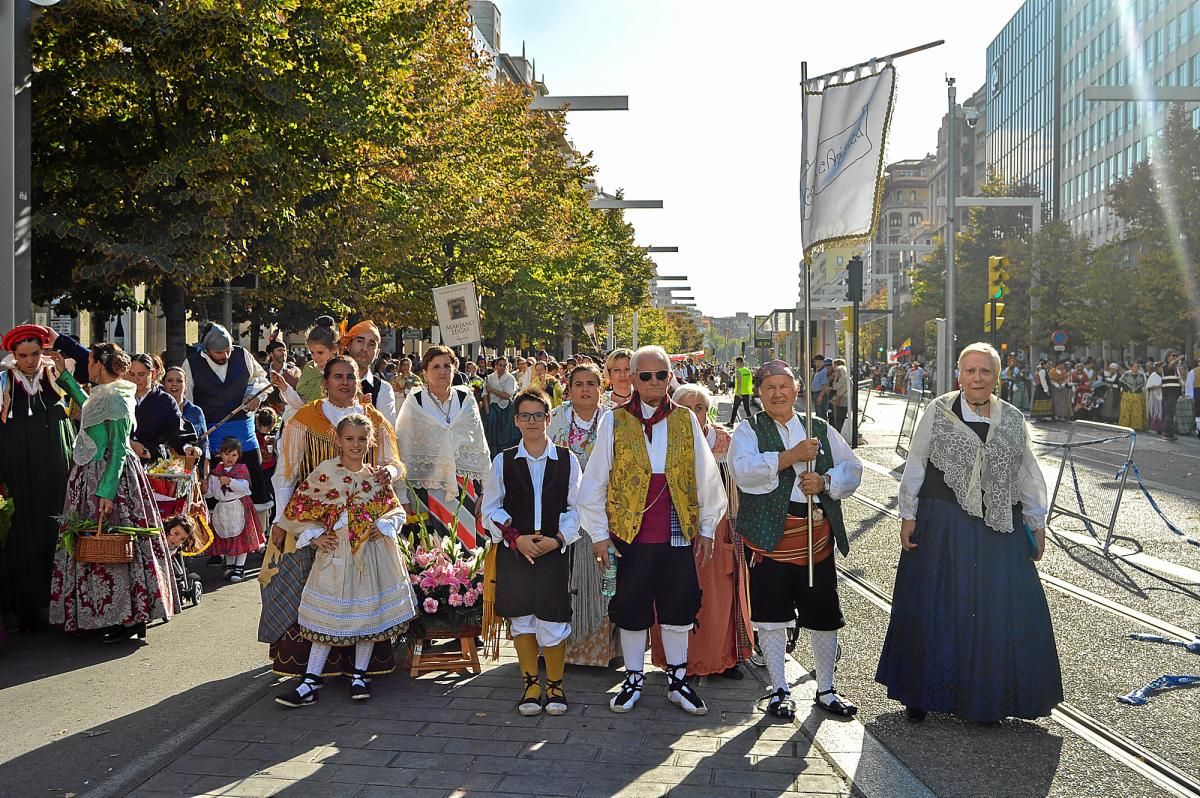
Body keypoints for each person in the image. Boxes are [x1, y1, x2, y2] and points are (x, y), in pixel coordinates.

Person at [876, 342, 1062, 724]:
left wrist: (1036, 523)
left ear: (996, 377)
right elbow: (917, 461)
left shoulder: (1012, 418)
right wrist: (907, 514)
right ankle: (921, 691)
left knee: (998, 607)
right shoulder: (938, 411)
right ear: (958, 375)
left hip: (998, 526)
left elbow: (1027, 473)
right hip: (943, 523)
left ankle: (990, 696)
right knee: (936, 603)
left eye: (986, 371)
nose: (978, 378)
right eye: (971, 371)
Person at [577, 345, 727, 716]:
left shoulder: (685, 420)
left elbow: (706, 477)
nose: (654, 382)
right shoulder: (613, 421)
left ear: (669, 377)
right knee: (630, 606)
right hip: (630, 533)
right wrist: (598, 535)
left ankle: (678, 681)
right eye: (645, 376)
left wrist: (707, 527)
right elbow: (594, 481)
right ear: (632, 378)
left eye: (661, 375)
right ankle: (633, 679)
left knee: (679, 606)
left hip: (678, 528)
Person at [730, 361, 864, 720]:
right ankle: (778, 689)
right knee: (772, 616)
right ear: (758, 392)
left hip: (815, 538)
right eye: (769, 387)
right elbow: (742, 472)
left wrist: (823, 482)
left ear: (797, 389)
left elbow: (852, 469)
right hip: (770, 538)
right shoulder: (749, 431)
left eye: (783, 386)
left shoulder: (819, 427)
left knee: (823, 615)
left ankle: (826, 688)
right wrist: (790, 458)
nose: (777, 393)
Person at [261, 356, 404, 678]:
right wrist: (281, 523)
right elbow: (286, 473)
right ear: (325, 381)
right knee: (309, 589)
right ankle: (312, 669)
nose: (345, 382)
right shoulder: (304, 419)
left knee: (363, 588)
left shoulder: (373, 420)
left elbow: (393, 463)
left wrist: (388, 472)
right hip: (313, 516)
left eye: (350, 377)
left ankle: (360, 668)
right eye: (337, 376)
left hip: (363, 520)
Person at [274, 413, 416, 707]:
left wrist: (383, 525)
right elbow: (299, 508)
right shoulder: (326, 472)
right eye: (349, 439)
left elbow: (394, 510)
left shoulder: (376, 476)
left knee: (366, 614)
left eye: (362, 439)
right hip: (335, 556)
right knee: (327, 615)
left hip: (370, 557)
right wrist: (314, 536)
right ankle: (311, 681)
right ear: (338, 441)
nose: (356, 444)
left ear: (371, 441)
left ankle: (360, 675)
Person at [47, 344, 179, 643]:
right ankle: (101, 613)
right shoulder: (106, 394)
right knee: (95, 544)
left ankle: (128, 617)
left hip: (111, 478)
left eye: (89, 362)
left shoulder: (119, 399)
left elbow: (120, 448)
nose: (86, 367)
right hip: (91, 473)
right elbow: (92, 411)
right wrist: (64, 377)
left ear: (98, 365)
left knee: (116, 544)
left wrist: (106, 492)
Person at [483, 388, 583, 716]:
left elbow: (578, 509)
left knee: (552, 618)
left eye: (538, 415)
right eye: (524, 416)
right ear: (515, 420)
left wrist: (557, 539)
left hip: (554, 550)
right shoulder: (504, 460)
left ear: (548, 419)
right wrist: (514, 538)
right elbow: (491, 509)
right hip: (517, 551)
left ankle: (555, 685)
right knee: (522, 618)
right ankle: (531, 685)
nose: (531, 422)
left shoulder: (568, 460)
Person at [651, 383, 753, 680]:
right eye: (687, 407)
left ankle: (722, 658)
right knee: (674, 593)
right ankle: (681, 660)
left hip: (719, 527)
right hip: (673, 526)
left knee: (719, 597)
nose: (694, 414)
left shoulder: (724, 441)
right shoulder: (661, 437)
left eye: (699, 407)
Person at [0, 325, 76, 632]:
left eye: (34, 353)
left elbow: (84, 399)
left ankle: (59, 601)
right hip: (18, 468)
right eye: (23, 355)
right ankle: (26, 607)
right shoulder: (5, 381)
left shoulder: (55, 375)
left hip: (55, 467)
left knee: (55, 528)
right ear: (14, 356)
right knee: (22, 531)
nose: (30, 361)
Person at [547, 364, 620, 668]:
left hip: (603, 511)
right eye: (579, 384)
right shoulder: (555, 418)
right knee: (560, 579)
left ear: (600, 388)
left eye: (592, 383)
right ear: (569, 388)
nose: (585, 389)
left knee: (603, 577)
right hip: (560, 510)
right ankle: (558, 648)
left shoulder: (614, 418)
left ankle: (599, 652)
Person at [184, 323, 272, 506]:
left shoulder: (242, 355)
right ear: (207, 350)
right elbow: (187, 401)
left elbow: (260, 379)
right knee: (215, 493)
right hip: (211, 435)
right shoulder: (191, 363)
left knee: (255, 486)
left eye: (228, 350)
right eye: (219, 352)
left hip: (245, 435)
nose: (225, 356)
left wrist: (255, 394)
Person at [395, 345, 490, 507]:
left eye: (447, 366)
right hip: (426, 486)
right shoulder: (415, 401)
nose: (443, 371)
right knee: (431, 533)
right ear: (425, 373)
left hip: (464, 485)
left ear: (454, 369)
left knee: (462, 532)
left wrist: (486, 490)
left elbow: (480, 445)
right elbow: (402, 450)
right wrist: (402, 496)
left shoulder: (466, 399)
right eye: (436, 366)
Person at [206, 438, 264, 583]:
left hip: (239, 507)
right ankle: (230, 564)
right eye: (227, 454)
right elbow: (212, 493)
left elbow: (244, 487)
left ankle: (240, 566)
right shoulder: (215, 472)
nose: (230, 458)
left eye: (234, 455)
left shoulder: (241, 470)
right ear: (221, 454)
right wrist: (204, 488)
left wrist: (230, 482)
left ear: (238, 456)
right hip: (223, 508)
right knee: (228, 536)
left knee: (241, 537)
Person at [128, 353, 198, 463]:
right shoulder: (122, 398)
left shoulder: (165, 401)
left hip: (154, 460)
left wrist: (187, 446)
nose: (135, 379)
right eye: (131, 374)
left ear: (153, 373)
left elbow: (177, 427)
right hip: (125, 458)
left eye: (141, 374)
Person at [343, 320, 398, 429]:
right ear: (348, 345)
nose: (364, 348)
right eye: (360, 341)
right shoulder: (328, 382)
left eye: (371, 344)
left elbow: (387, 434)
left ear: (377, 353)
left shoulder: (383, 389)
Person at [484, 356, 520, 456]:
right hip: (493, 408)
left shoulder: (510, 378)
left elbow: (506, 395)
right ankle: (493, 456)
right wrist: (488, 412)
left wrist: (492, 390)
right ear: (495, 366)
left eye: (504, 366)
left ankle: (506, 455)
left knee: (506, 435)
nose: (502, 368)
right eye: (500, 365)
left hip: (506, 409)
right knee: (492, 434)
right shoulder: (489, 377)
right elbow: (485, 396)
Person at [1161, 351, 1185, 442]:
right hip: (1169, 393)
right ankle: (1166, 432)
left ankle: (1170, 431)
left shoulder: (1176, 369)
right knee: (1169, 413)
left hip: (1174, 393)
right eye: (1173, 356)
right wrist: (1178, 359)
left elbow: (1182, 376)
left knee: (1172, 413)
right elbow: (1170, 365)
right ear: (1168, 357)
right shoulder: (1165, 367)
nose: (1175, 357)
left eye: (1176, 356)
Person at [1118, 361, 1148, 431]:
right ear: (1131, 367)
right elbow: (1121, 382)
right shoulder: (1126, 374)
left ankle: (1136, 426)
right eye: (1134, 366)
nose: (1136, 368)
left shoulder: (1141, 375)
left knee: (1137, 411)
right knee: (1126, 410)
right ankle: (1125, 425)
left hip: (1138, 395)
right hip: (1127, 395)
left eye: (1137, 366)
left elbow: (1143, 384)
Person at [729, 356, 755, 423]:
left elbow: (739, 382)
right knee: (747, 409)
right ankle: (751, 423)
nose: (736, 364)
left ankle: (731, 423)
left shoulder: (738, 371)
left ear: (739, 363)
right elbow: (750, 381)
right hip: (746, 392)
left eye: (736, 363)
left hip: (739, 393)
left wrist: (739, 392)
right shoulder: (748, 371)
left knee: (735, 408)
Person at [1146, 362, 1165, 434]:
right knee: (1155, 413)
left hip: (1162, 395)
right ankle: (1155, 427)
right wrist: (1158, 386)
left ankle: (1161, 428)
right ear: (1157, 368)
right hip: (1154, 397)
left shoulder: (1163, 375)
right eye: (1161, 367)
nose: (1162, 369)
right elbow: (1148, 387)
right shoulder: (1153, 375)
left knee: (1162, 412)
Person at [1187, 359, 1200, 438]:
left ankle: (1198, 428)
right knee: (1198, 411)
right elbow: (1190, 383)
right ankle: (1198, 428)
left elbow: (1189, 383)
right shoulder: (1193, 371)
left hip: (1197, 392)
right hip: (1197, 392)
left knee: (1198, 411)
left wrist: (1190, 394)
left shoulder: (1193, 371)